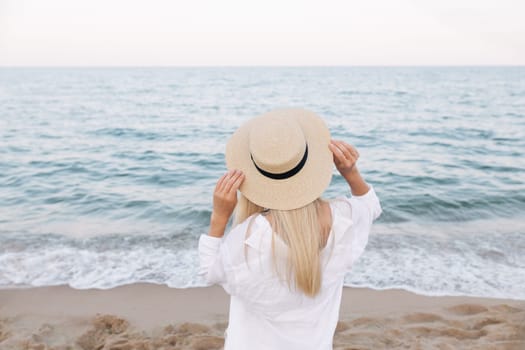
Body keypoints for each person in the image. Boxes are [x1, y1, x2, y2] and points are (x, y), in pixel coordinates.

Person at [198, 108, 382, 350]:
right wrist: (351, 172)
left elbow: (209, 271)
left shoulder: (251, 238)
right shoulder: (342, 219)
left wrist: (219, 217)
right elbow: (370, 206)